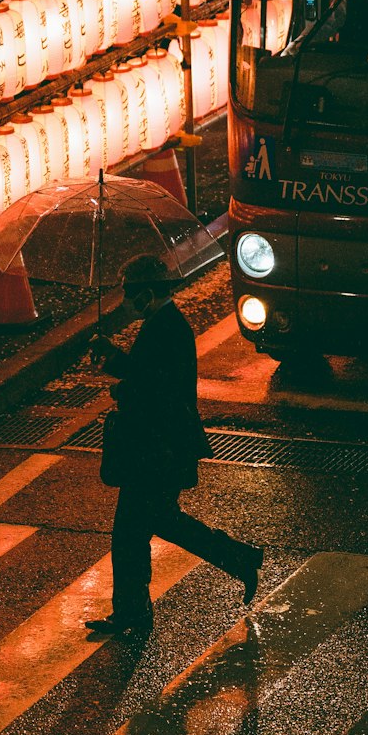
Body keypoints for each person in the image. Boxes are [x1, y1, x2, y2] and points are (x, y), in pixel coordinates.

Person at [87, 254, 264, 639]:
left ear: (147, 294)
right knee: (161, 521)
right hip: (160, 447)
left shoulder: (165, 329)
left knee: (130, 532)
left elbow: (156, 389)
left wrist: (120, 386)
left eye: (129, 295)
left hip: (157, 449)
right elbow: (148, 372)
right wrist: (116, 358)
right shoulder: (163, 324)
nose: (125, 303)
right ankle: (239, 558)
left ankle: (133, 615)